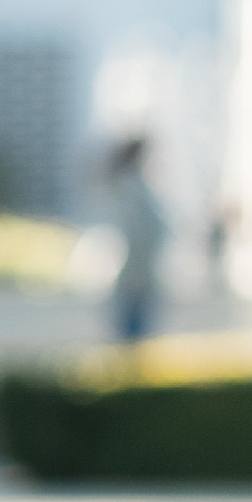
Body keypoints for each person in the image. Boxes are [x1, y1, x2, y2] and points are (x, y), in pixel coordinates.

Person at [104, 134, 165, 346]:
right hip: (132, 266)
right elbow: (136, 230)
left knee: (138, 324)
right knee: (130, 328)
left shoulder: (135, 185)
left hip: (142, 266)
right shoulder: (128, 187)